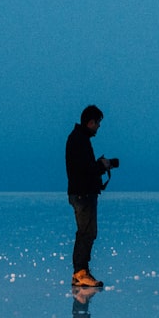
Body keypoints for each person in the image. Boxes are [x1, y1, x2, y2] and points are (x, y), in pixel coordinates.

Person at [65, 105, 117, 288]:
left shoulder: (80, 139)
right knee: (86, 233)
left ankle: (80, 272)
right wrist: (103, 166)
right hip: (82, 194)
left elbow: (84, 168)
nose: (99, 127)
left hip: (82, 193)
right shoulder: (78, 140)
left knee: (87, 233)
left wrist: (101, 166)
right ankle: (80, 273)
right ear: (90, 122)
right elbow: (84, 170)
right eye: (98, 123)